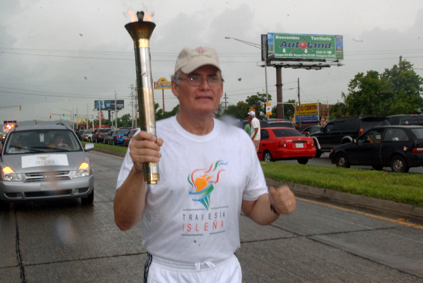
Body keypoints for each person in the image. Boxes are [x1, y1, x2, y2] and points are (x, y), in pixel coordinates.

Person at [114, 46, 296, 283]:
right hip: (168, 274)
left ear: (221, 89)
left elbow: (253, 207)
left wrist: (275, 206)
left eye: (212, 78)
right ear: (175, 87)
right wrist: (139, 170)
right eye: (193, 77)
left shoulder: (239, 140)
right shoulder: (149, 140)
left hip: (224, 272)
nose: (205, 86)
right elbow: (124, 221)